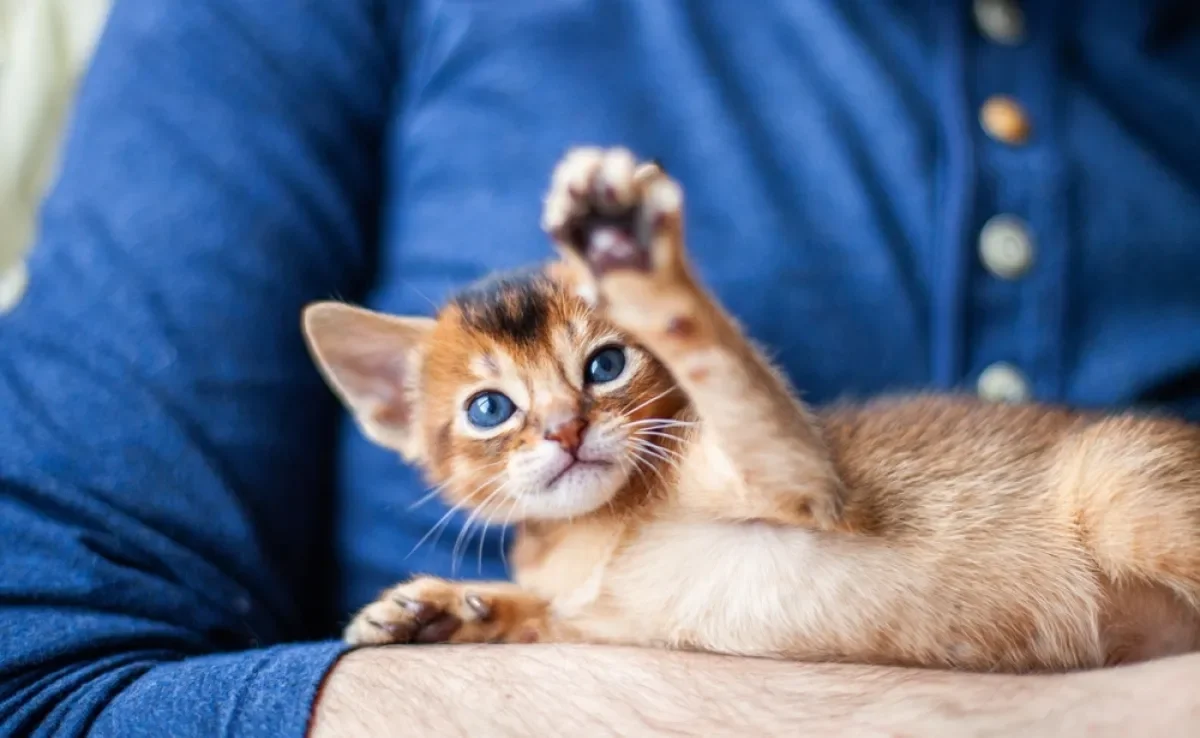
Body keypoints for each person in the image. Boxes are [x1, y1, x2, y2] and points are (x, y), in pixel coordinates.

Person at [1, 1, 1198, 735]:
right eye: (495, 409)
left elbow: (796, 485)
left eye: (609, 361)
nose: (564, 424)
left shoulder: (672, 454)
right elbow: (44, 679)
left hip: (1082, 524)